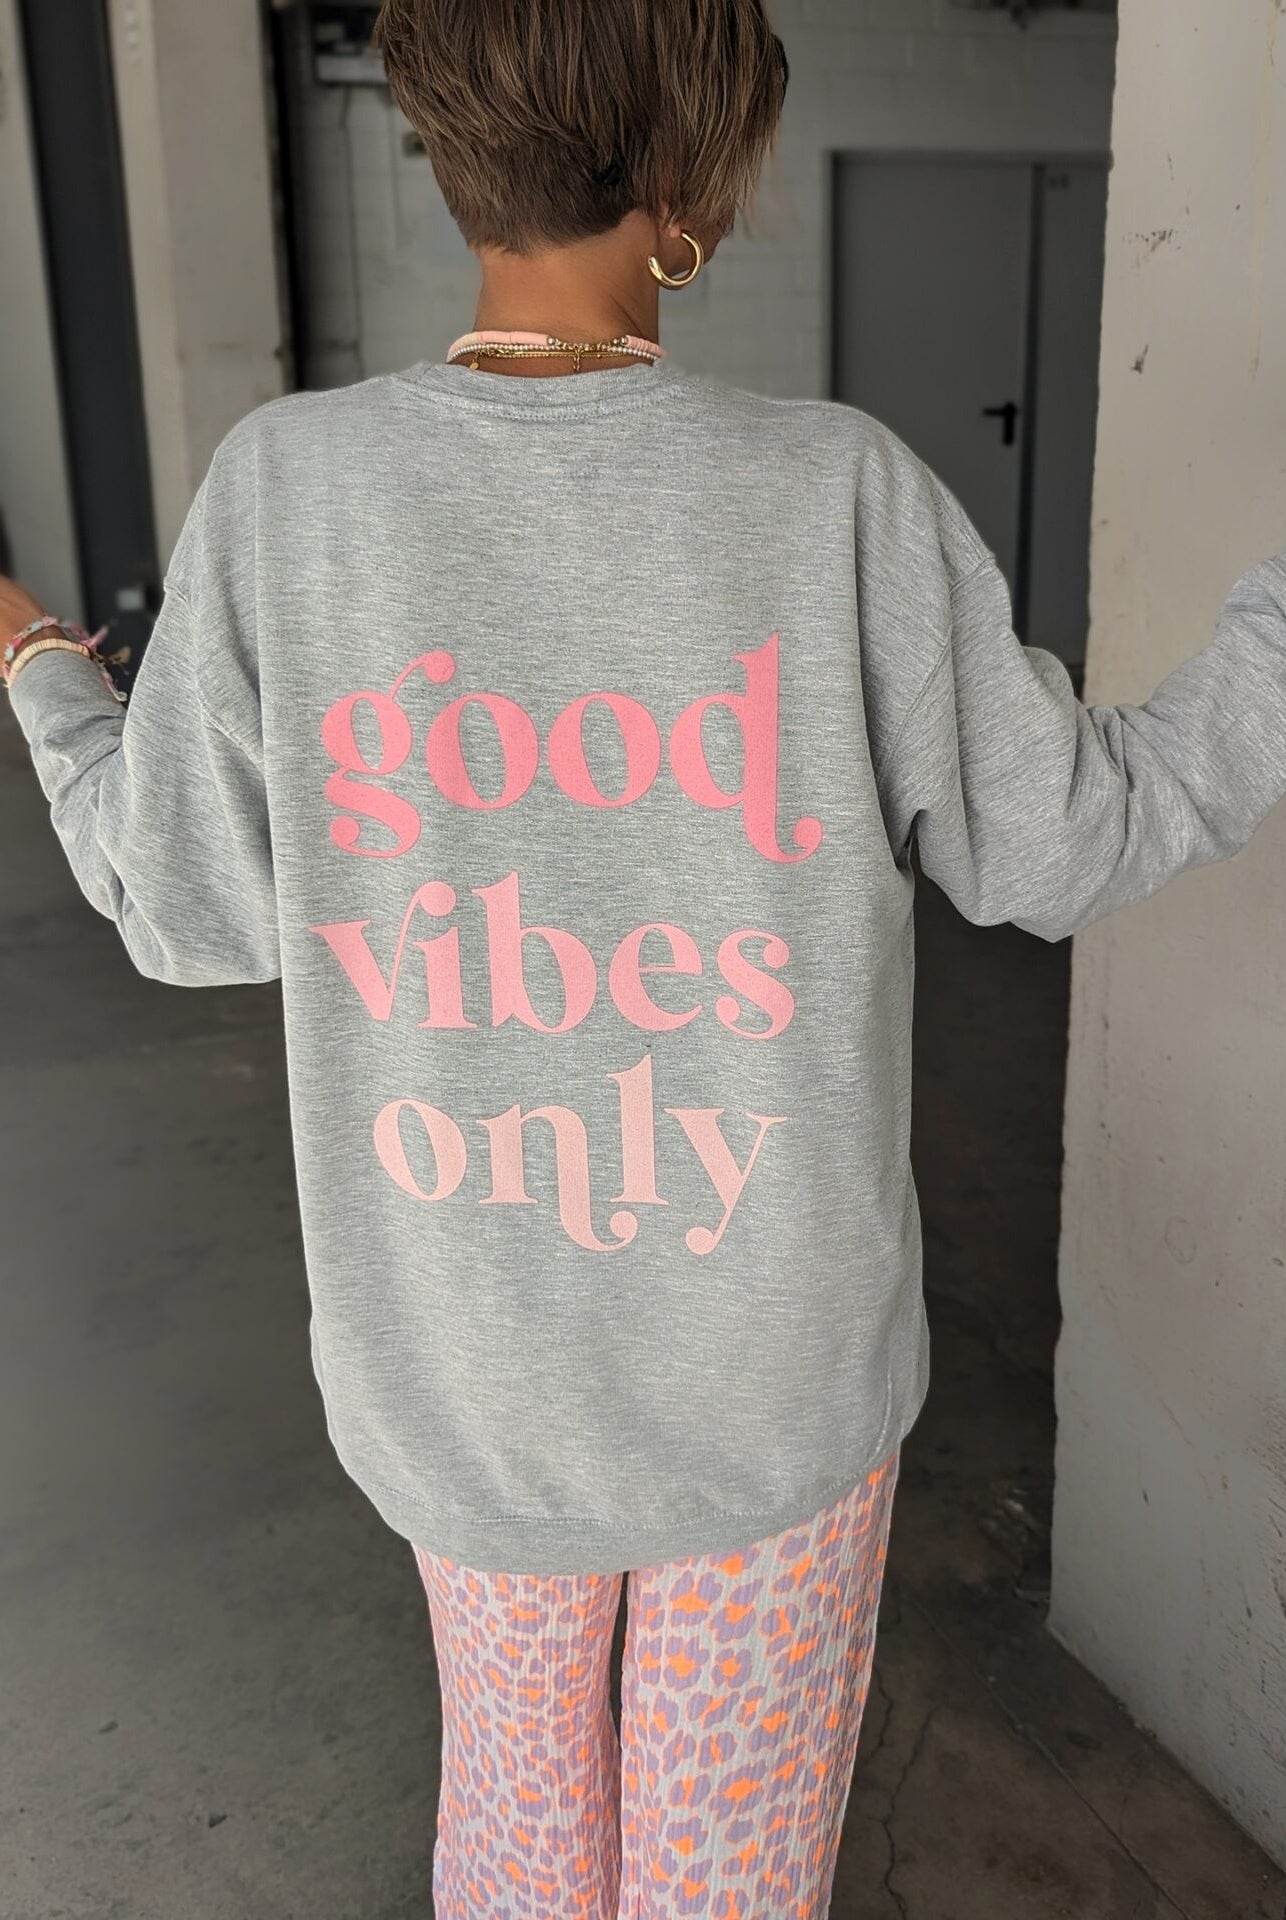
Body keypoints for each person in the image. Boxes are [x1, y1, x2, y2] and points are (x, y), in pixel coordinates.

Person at [4, 1, 1286, 1912]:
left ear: (447, 146)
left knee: (516, 1827)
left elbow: (182, 905)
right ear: (690, 179)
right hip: (771, 1386)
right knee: (726, 1873)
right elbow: (1069, 839)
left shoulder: (284, 493)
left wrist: (43, 663)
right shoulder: (834, 494)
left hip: (459, 1380)